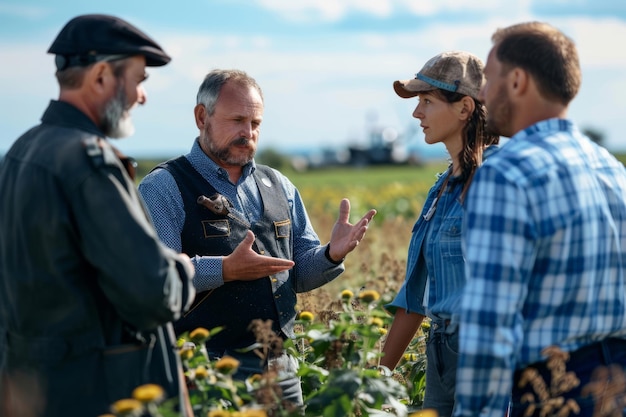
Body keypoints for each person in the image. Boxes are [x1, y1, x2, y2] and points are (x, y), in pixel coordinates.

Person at [138, 68, 377, 406]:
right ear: (201, 116)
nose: (247, 132)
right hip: (205, 373)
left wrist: (331, 255)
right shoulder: (164, 186)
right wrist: (224, 269)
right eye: (236, 120)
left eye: (255, 124)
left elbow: (296, 274)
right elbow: (155, 280)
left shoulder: (279, 184)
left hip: (282, 370)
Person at [0, 14, 197, 417]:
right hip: (102, 393)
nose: (142, 97)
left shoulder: (19, 153)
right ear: (103, 76)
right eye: (139, 81)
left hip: (35, 390)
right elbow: (153, 293)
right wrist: (182, 270)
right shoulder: (88, 162)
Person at [455, 21, 626, 417]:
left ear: (517, 81)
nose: (481, 94)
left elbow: (490, 324)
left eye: (488, 79)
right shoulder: (612, 170)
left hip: (551, 389)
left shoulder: (507, 174)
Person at [379, 51, 500, 417]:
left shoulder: (498, 182)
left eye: (427, 102)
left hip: (485, 355)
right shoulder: (442, 188)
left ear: (465, 107)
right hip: (442, 353)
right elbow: (415, 295)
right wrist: (375, 379)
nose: (417, 114)